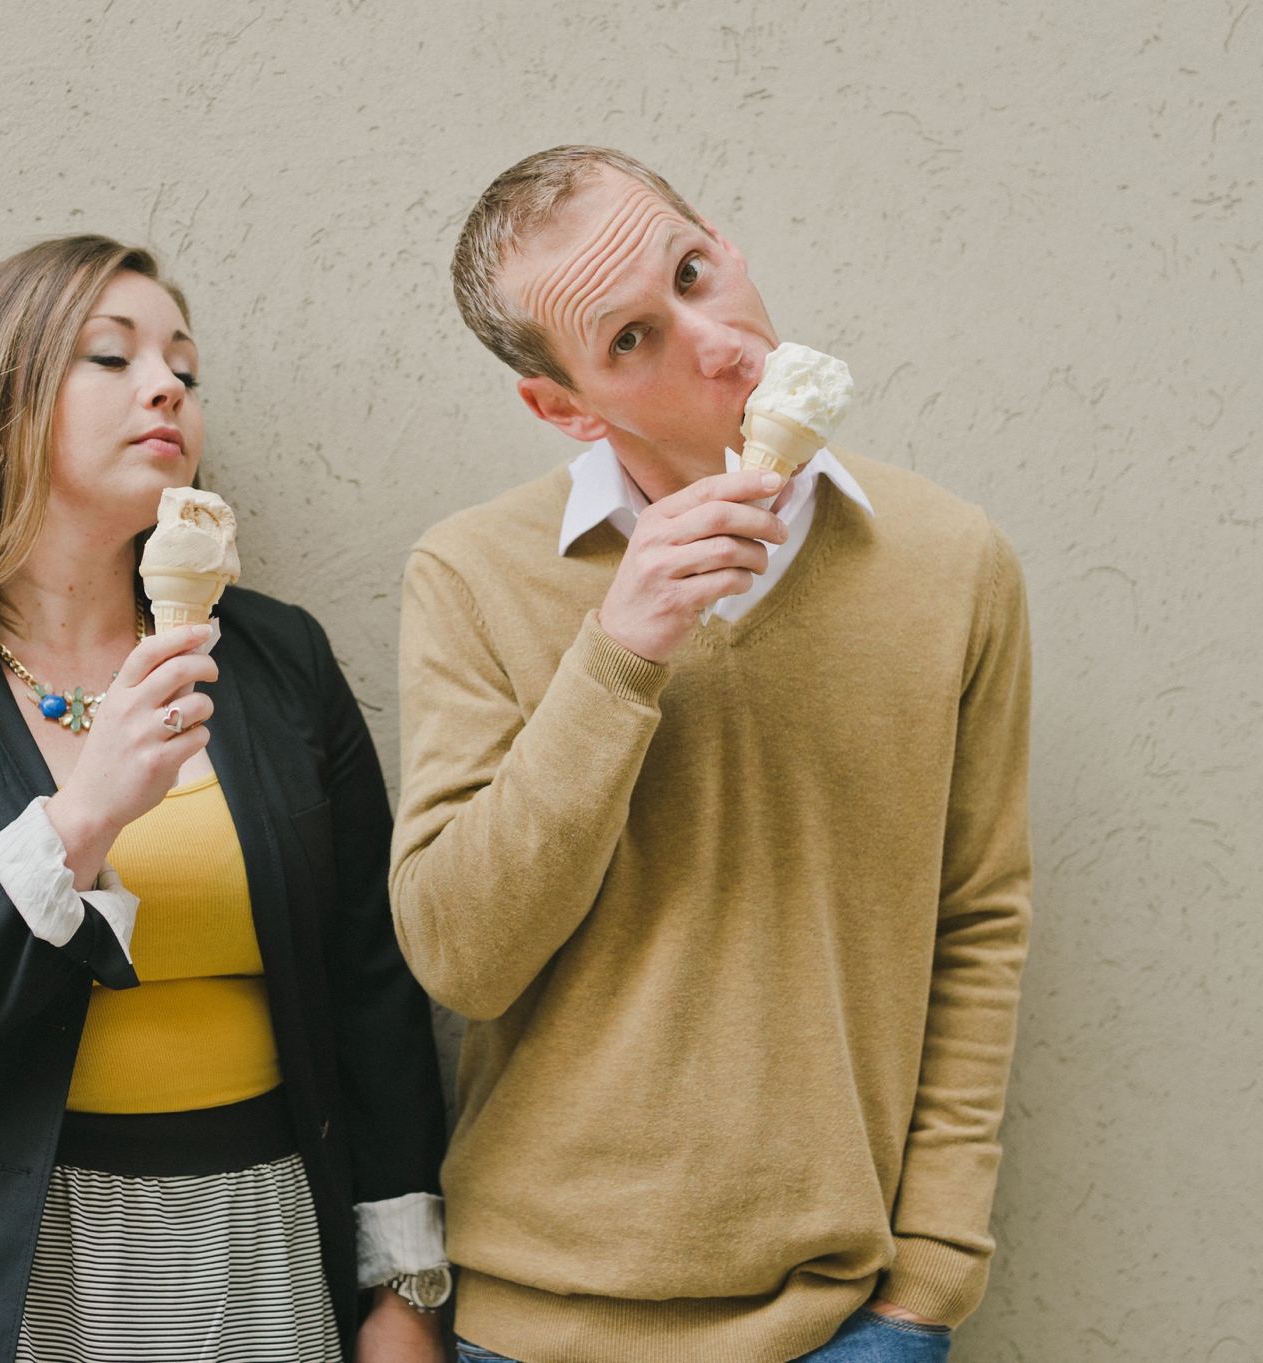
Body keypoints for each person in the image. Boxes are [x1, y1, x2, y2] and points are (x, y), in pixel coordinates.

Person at [390, 147, 1033, 1363]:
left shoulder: (951, 563)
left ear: (723, 243)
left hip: (842, 1322)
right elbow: (456, 955)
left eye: (694, 273)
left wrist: (930, 1279)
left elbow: (977, 918)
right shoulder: (471, 574)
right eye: (631, 339)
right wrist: (620, 647)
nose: (717, 339)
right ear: (564, 406)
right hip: (539, 1320)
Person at [0, 235, 451, 1363]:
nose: (168, 384)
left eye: (184, 363)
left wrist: (405, 1287)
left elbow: (368, 985)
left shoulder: (274, 658)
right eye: (110, 355)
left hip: (260, 1233)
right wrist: (81, 815)